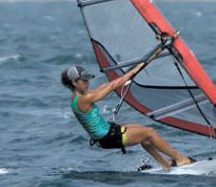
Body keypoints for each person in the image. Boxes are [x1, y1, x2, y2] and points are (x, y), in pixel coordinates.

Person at [62, 63, 195, 170]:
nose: (87, 82)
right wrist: (133, 72)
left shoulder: (76, 98)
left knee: (143, 130)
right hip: (109, 137)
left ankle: (165, 164)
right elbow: (113, 86)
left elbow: (107, 85)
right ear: (74, 82)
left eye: (87, 80)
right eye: (83, 80)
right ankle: (180, 159)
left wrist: (128, 74)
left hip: (106, 134)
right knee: (150, 132)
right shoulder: (84, 99)